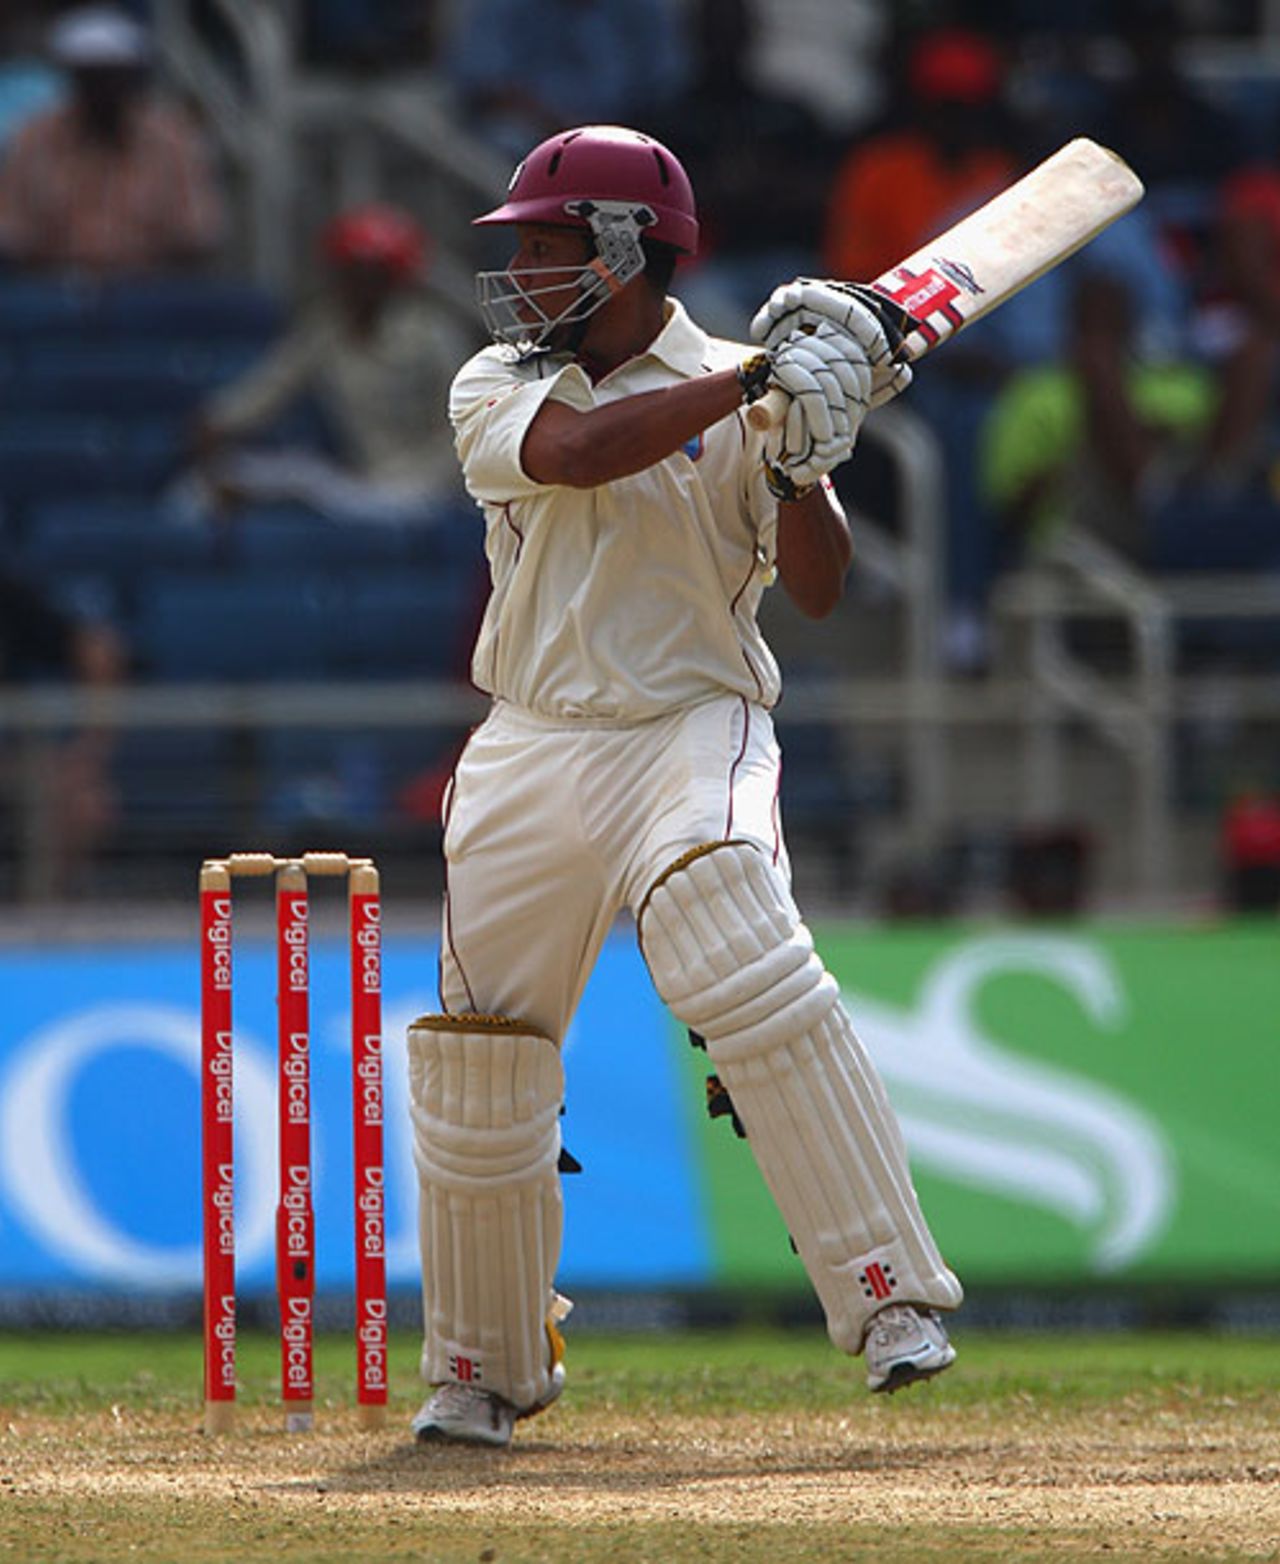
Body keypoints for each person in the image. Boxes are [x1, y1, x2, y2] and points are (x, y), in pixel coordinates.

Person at [405, 124, 962, 1450]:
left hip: (690, 723)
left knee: (736, 934)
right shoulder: (499, 383)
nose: (521, 274)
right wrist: (765, 384)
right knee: (484, 1061)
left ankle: (889, 1295)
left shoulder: (745, 391)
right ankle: (483, 1368)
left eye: (544, 247)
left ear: (624, 249)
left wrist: (803, 458)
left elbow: (819, 592)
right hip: (532, 736)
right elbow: (589, 454)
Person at [188, 203, 474, 523]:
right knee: (208, 486)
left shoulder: (432, 335)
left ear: (394, 279)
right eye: (353, 273)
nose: (361, 286)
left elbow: (465, 424)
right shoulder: (326, 328)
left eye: (373, 275)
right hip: (361, 480)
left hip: (433, 487)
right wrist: (219, 420)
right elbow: (274, 383)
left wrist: (423, 481)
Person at [0, 4, 225, 278]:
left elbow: (197, 235)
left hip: (150, 288)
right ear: (74, 80)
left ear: (131, 79)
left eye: (113, 78)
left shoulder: (172, 139)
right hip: (54, 290)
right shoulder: (34, 138)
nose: (104, 91)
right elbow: (12, 235)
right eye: (93, 79)